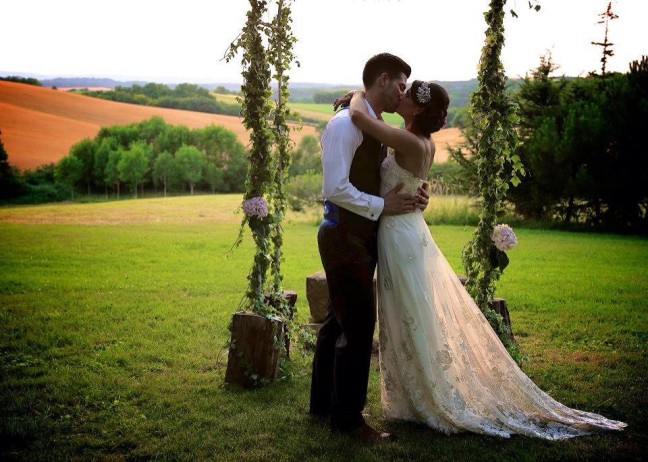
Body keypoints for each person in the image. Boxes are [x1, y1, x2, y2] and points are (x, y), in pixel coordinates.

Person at [344, 80, 627, 439]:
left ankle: (432, 396)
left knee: (412, 313)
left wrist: (356, 93)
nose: (399, 96)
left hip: (401, 233)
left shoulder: (410, 141)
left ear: (415, 109)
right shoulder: (420, 142)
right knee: (410, 312)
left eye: (406, 94)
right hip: (406, 229)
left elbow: (358, 115)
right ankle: (416, 396)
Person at [309, 52, 430, 443]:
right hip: (343, 234)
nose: (403, 93)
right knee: (359, 327)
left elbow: (378, 176)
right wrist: (384, 206)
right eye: (399, 85)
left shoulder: (373, 123)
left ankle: (323, 405)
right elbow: (335, 188)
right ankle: (349, 421)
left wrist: (413, 193)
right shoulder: (345, 124)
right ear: (381, 80)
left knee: (337, 321)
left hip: (360, 235)